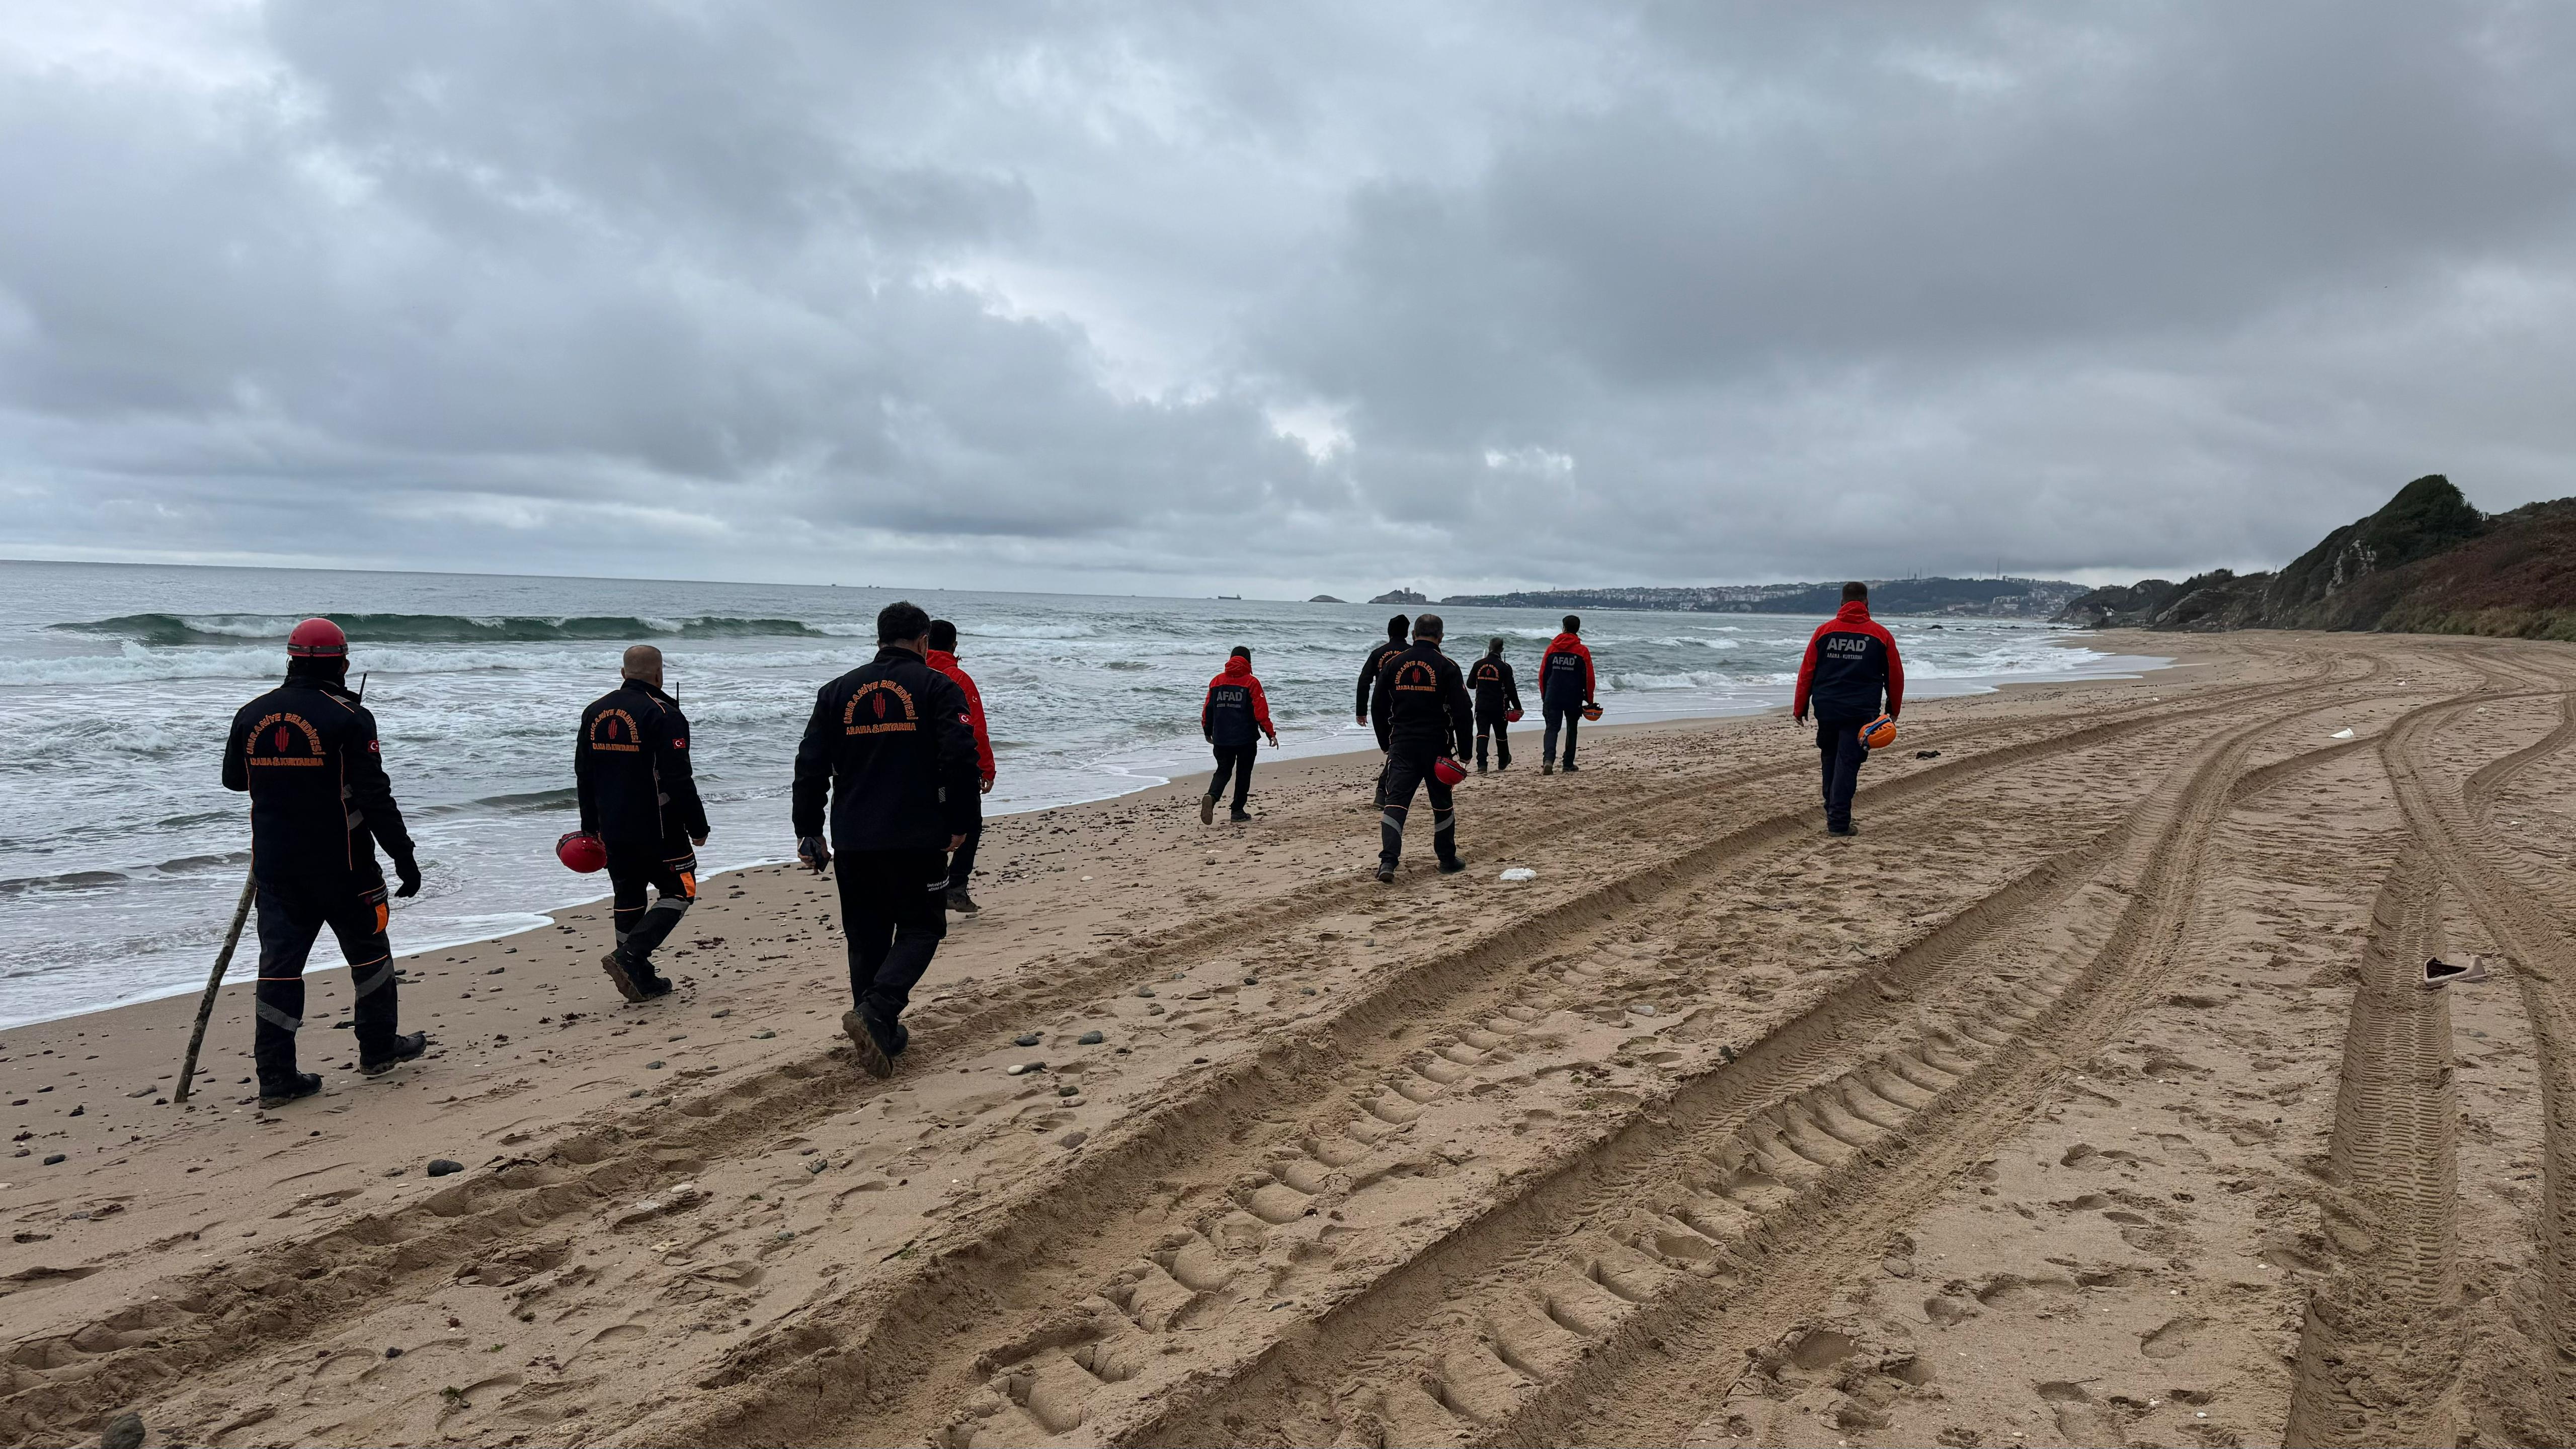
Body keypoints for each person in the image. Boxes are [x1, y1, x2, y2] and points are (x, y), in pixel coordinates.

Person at [220, 617, 429, 1108]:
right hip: (346, 866)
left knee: (280, 969)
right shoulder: (349, 717)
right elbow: (375, 796)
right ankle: (378, 1050)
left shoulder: (253, 713)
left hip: (275, 865)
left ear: (290, 660)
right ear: (343, 663)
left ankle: (275, 1077)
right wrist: (404, 856)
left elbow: (234, 780)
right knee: (370, 954)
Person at [791, 600, 980, 1078]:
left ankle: (876, 1025)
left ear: (878, 638)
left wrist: (808, 830)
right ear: (922, 642)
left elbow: (810, 766)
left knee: (866, 933)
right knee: (922, 928)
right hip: (917, 834)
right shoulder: (938, 685)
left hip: (855, 834)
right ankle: (878, 1010)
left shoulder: (837, 691)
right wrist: (961, 821)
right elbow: (961, 757)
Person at [575, 644, 708, 1003]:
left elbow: (584, 773)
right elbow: (679, 778)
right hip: (660, 828)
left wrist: (590, 826)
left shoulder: (594, 711)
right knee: (684, 889)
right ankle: (631, 956)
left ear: (623, 674)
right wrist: (698, 826)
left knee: (629, 895)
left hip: (612, 826)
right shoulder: (664, 712)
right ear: (659, 675)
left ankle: (639, 975)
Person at [1792, 581, 1906, 838]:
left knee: (1830, 758)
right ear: (1866, 604)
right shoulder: (1880, 635)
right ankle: (1839, 823)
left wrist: (1800, 707)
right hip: (1860, 711)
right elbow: (1895, 675)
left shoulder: (1824, 632)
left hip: (1827, 709)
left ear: (1842, 604)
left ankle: (1832, 808)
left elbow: (1807, 672)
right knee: (1848, 762)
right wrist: (1893, 708)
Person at [1369, 613, 1474, 882]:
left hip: (1402, 745)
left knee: (1396, 803)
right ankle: (1447, 859)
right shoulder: (1447, 665)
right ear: (1441, 636)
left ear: (1414, 634)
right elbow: (1463, 711)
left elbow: (1377, 705)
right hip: (1436, 746)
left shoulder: (1394, 663)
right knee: (1442, 804)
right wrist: (1465, 752)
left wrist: (1385, 743)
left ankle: (1388, 862)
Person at [925, 620, 996, 914]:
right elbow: (975, 729)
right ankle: (955, 886)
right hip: (953, 767)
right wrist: (986, 768)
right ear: (954, 646)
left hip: (915, 769)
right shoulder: (957, 678)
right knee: (971, 824)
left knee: (927, 826)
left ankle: (930, 888)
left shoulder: (911, 675)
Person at [1200, 646, 1279, 823]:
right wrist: (1270, 734)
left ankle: (1212, 797)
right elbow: (1261, 712)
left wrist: (1207, 730)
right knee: (1244, 773)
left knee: (1223, 771)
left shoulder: (1217, 681)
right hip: (1246, 739)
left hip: (1221, 738)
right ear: (1249, 662)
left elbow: (1208, 709)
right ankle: (1237, 811)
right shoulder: (1251, 683)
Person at [1537, 615, 1597, 774]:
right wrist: (1590, 700)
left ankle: (1548, 761)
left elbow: (1543, 674)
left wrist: (1544, 695)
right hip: (1574, 696)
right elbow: (1589, 678)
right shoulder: (1582, 651)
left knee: (1552, 728)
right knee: (1572, 728)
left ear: (1563, 628)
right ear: (1577, 630)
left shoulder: (1552, 649)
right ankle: (1568, 764)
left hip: (1553, 694)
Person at [1469, 636, 1522, 772]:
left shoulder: (1478, 664)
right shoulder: (1505, 667)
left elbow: (1470, 685)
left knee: (1482, 734)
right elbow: (1511, 690)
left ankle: (1482, 764)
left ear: (1489, 647)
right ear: (1502, 649)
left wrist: (1482, 682)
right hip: (1499, 707)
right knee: (1501, 735)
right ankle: (1503, 761)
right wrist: (1518, 708)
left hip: (1482, 706)